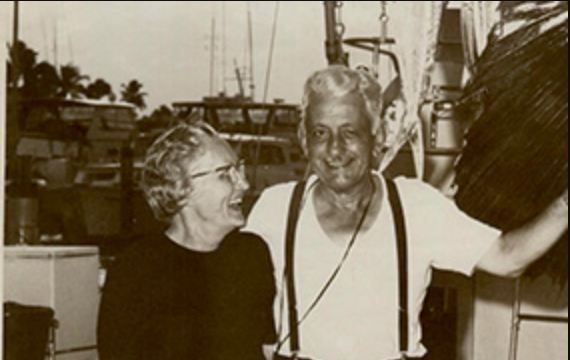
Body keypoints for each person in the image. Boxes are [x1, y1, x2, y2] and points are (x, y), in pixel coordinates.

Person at [245, 65, 568, 360]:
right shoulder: (274, 208)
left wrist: (565, 204)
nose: (334, 149)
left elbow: (507, 257)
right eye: (320, 133)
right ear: (303, 140)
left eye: (349, 132)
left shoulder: (416, 206)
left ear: (378, 137)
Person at [97, 122, 276, 360]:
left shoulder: (252, 254)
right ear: (180, 188)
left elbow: (265, 349)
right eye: (225, 175)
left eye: (239, 171)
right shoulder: (137, 269)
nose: (244, 184)